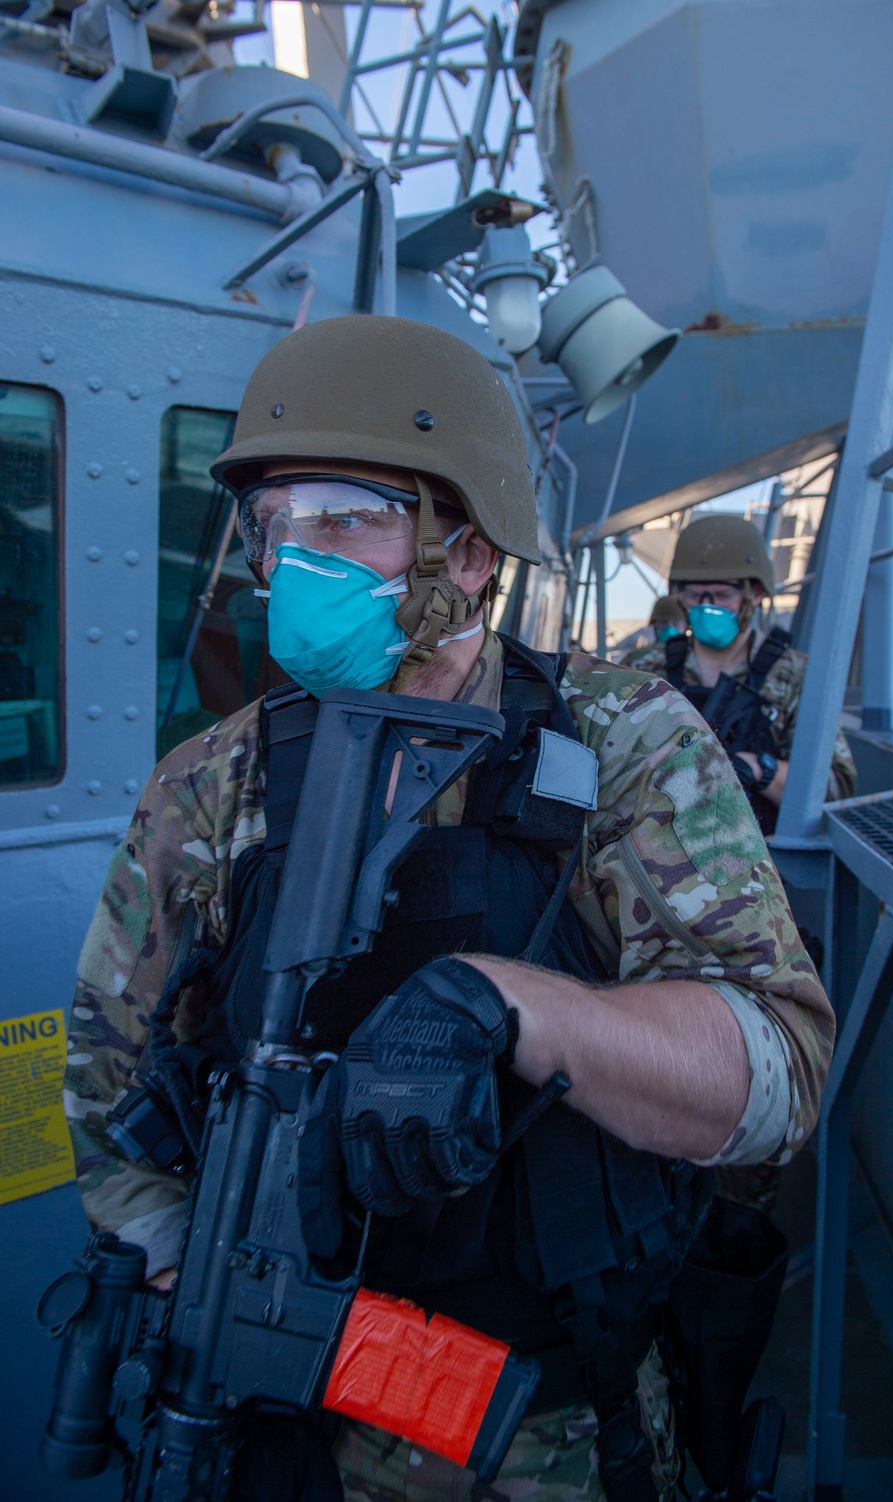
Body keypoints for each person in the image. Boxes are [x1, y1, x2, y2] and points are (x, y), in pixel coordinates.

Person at [64, 317, 835, 1502]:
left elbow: (775, 1079)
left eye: (343, 517)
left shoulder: (621, 743)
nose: (294, 559)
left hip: (551, 1430)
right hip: (270, 1423)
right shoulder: (215, 780)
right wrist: (213, 1285)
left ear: (466, 552)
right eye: (274, 526)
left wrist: (510, 1002)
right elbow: (106, 1090)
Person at [624, 516, 855, 836]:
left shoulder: (797, 676)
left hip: (757, 861)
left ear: (755, 594)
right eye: (694, 596)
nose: (706, 607)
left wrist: (760, 770)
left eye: (721, 595)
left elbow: (837, 787)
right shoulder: (644, 666)